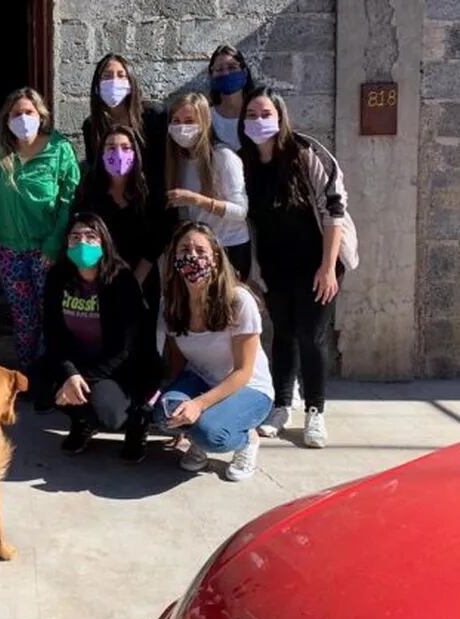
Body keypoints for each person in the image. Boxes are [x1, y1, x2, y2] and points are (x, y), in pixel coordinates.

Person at [238, 87, 359, 448]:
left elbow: (334, 208)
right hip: (277, 265)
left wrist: (327, 266)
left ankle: (315, 411)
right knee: (283, 333)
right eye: (251, 115)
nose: (259, 121)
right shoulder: (245, 162)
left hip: (317, 260)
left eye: (265, 114)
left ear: (280, 116)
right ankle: (281, 404)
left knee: (312, 335)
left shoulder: (305, 153)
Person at [154, 222, 273, 482]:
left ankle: (245, 440)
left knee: (212, 434)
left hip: (248, 387)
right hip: (201, 379)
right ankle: (198, 434)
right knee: (164, 415)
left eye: (200, 250)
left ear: (216, 258)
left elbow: (243, 372)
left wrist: (198, 404)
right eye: (184, 249)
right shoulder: (171, 304)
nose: (192, 256)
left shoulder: (239, 301)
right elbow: (178, 358)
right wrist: (174, 395)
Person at [41, 213, 162, 460]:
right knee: (40, 384)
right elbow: (53, 332)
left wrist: (80, 378)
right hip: (79, 360)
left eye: (90, 236)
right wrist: (69, 373)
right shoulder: (57, 278)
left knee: (112, 414)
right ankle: (84, 422)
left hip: (120, 367)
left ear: (104, 242)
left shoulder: (121, 280)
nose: (82, 242)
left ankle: (137, 421)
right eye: (75, 237)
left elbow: (125, 348)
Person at [0, 87, 80, 374]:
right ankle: (29, 377)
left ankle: (54, 375)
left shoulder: (59, 148)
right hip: (10, 250)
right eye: (17, 113)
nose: (23, 118)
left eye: (29, 112)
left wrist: (54, 244)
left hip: (46, 250)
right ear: (7, 118)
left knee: (51, 315)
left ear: (41, 116)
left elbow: (69, 198)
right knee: (23, 318)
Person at [73, 124, 162, 337]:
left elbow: (156, 238)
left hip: (142, 278)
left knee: (141, 339)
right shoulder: (90, 189)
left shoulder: (148, 191)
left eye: (125, 147)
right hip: (102, 277)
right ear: (101, 152)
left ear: (135, 152)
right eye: (111, 148)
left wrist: (135, 281)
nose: (118, 154)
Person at [82, 53, 172, 250]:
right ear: (96, 86)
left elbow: (161, 170)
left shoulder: (153, 117)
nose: (114, 81)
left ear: (131, 82)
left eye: (121, 75)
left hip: (148, 209)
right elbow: (95, 172)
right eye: (106, 76)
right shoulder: (92, 125)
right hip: (112, 213)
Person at [165, 92, 251, 281]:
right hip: (199, 249)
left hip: (229, 246)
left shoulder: (224, 157)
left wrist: (197, 200)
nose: (182, 128)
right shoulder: (179, 160)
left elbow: (241, 212)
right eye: (176, 121)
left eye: (189, 121)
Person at [207, 45, 255, 151]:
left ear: (244, 72)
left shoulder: (258, 115)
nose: (226, 73)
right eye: (219, 69)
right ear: (212, 75)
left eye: (232, 67)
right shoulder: (206, 117)